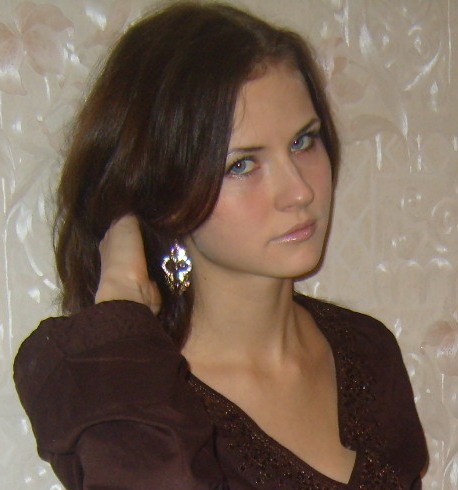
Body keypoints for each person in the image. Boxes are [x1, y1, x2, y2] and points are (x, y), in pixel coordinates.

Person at [13, 2, 427, 489]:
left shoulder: (366, 352)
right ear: (163, 188)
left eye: (303, 142)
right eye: (242, 165)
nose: (300, 191)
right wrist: (122, 300)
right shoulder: (117, 385)